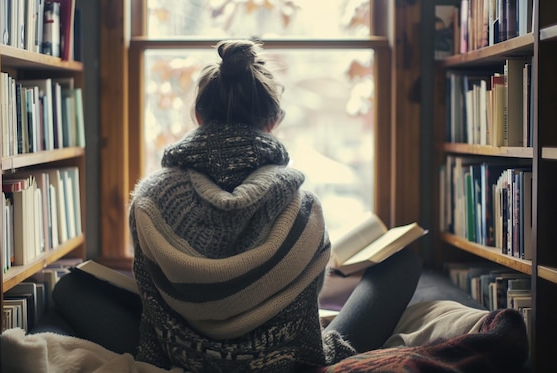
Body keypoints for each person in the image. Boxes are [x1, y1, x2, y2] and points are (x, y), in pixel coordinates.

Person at [127, 39, 423, 372]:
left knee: (72, 289)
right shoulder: (301, 207)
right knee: (404, 264)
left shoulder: (150, 199)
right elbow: (304, 319)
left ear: (197, 116)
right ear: (273, 122)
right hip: (286, 361)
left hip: (179, 355)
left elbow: (152, 305)